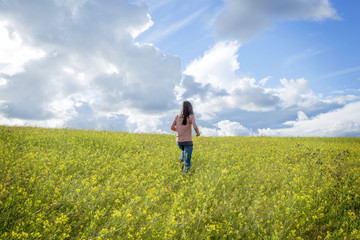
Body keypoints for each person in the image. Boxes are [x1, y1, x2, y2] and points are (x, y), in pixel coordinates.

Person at [171, 100, 200, 173]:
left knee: (183, 154)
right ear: (190, 108)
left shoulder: (177, 116)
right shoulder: (191, 116)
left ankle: (181, 167)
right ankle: (185, 175)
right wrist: (197, 133)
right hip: (187, 141)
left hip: (179, 142)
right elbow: (195, 126)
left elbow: (172, 127)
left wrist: (179, 130)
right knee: (187, 160)